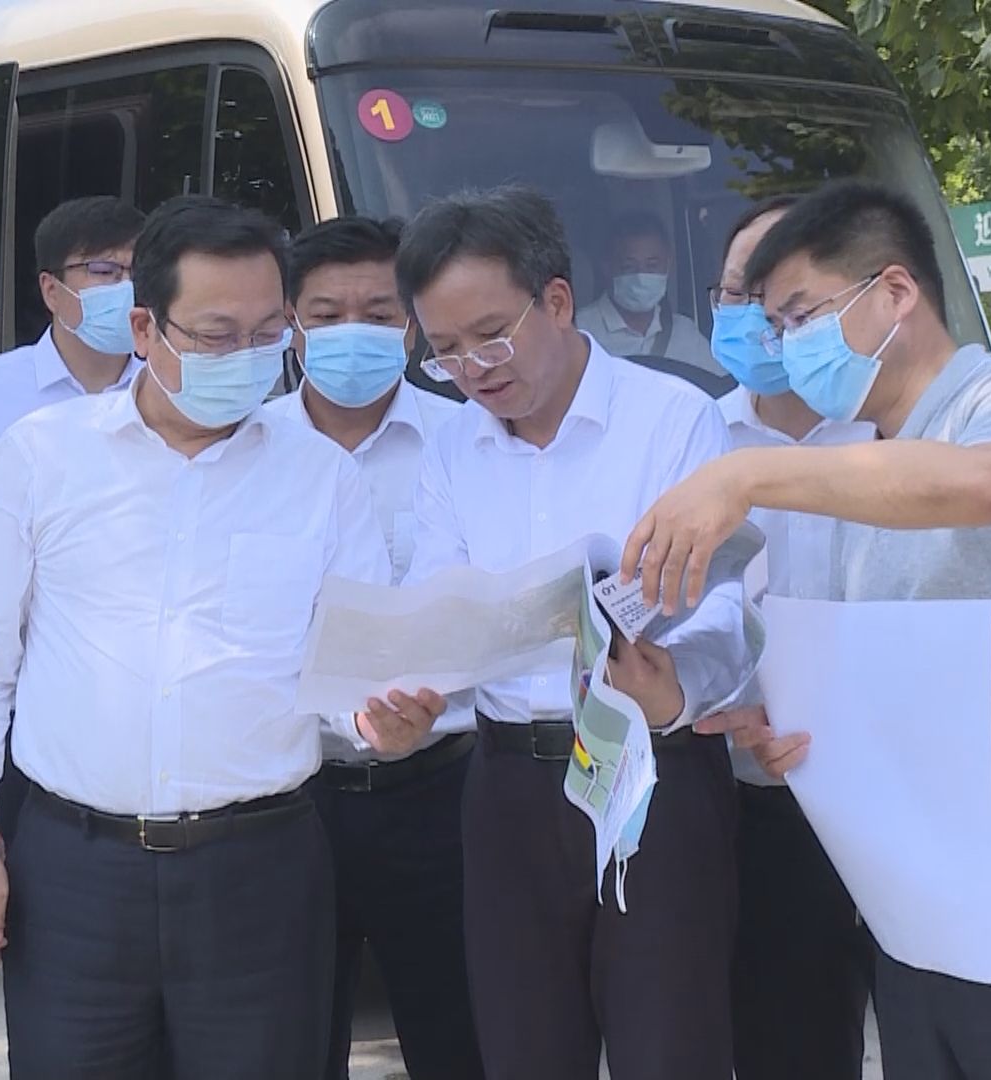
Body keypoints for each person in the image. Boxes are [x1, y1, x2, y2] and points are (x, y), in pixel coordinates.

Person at [623, 180, 991, 1080]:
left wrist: (744, 477)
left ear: (894, 292)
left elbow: (986, 484)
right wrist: (800, 732)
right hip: (923, 878)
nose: (787, 346)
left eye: (802, 315)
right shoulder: (877, 464)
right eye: (774, 324)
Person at [0, 195, 446, 1080]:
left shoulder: (320, 477)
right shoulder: (42, 456)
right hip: (74, 873)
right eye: (215, 336)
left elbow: (351, 674)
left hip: (259, 872)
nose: (245, 358)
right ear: (144, 328)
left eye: (267, 334)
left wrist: (381, 722)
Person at [399, 185, 749, 1080]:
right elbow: (439, 601)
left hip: (651, 772)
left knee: (669, 1049)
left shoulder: (673, 419)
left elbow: (725, 604)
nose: (472, 369)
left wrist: (677, 687)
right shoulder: (452, 447)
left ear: (555, 301)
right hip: (510, 783)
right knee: (524, 1048)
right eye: (444, 350)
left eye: (491, 335)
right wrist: (412, 686)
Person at [262, 216, 481, 1080]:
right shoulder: (249, 448)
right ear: (291, 325)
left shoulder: (467, 441)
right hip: (291, 797)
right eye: (327, 315)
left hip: (440, 791)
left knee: (458, 1035)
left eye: (379, 314)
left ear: (413, 326)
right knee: (287, 1039)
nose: (353, 333)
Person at [700, 194, 874, 1080]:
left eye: (783, 301)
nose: (759, 318)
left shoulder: (895, 436)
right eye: (739, 295)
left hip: (880, 790)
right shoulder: (694, 436)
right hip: (738, 797)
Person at [0, 195, 146, 845]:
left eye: (139, 271)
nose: (125, 288)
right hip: (24, 703)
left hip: (142, 709)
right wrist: (46, 554)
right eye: (104, 271)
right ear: (52, 289)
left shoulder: (170, 393)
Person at [573, 210, 716, 375]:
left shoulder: (685, 334)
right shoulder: (580, 332)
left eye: (652, 265)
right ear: (607, 267)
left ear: (668, 265)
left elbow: (717, 385)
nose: (641, 276)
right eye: (629, 266)